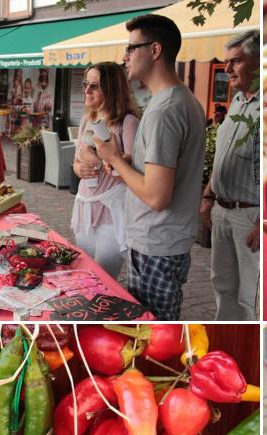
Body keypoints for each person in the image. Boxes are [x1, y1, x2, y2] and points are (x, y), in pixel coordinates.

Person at [94, 14, 205, 320]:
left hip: (156, 242)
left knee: (152, 328)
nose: (124, 56)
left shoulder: (164, 110)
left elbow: (157, 196)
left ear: (155, 50)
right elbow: (168, 172)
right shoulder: (184, 100)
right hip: (166, 240)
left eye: (131, 48)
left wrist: (115, 158)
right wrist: (132, 164)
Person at [200, 30, 261, 320]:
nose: (227, 70)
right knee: (221, 283)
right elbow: (223, 156)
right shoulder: (237, 102)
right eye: (226, 62)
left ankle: (245, 334)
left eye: (235, 61)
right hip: (222, 210)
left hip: (249, 215)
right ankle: (226, 331)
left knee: (247, 293)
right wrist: (208, 195)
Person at [71, 62, 139, 277]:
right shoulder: (86, 120)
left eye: (94, 86)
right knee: (84, 272)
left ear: (111, 89)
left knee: (103, 277)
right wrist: (81, 169)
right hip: (85, 206)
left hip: (112, 209)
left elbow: (134, 174)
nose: (87, 90)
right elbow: (75, 164)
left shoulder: (128, 123)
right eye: (85, 84)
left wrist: (101, 161)